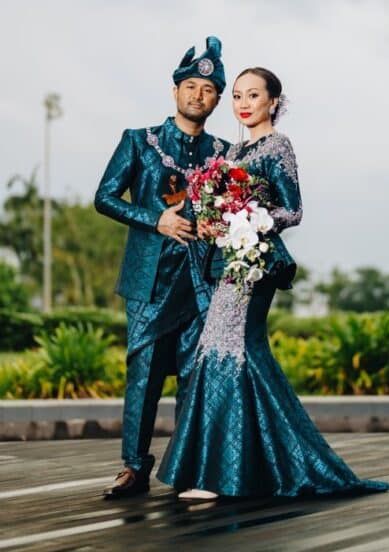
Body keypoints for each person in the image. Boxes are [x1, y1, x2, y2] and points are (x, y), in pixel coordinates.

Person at [157, 67, 389, 499]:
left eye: (253, 95)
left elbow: (293, 210)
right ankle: (246, 469)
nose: (243, 104)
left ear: (273, 102)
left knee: (228, 347)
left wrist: (249, 218)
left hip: (255, 262)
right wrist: (213, 220)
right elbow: (220, 208)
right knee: (232, 351)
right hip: (229, 261)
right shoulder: (234, 151)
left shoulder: (278, 145)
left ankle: (218, 476)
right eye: (237, 96)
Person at [94, 36, 230, 499]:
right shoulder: (139, 142)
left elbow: (232, 210)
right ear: (175, 91)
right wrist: (156, 219)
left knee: (194, 375)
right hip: (150, 279)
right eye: (190, 86)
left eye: (208, 90)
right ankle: (134, 467)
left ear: (217, 99)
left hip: (202, 281)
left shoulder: (225, 153)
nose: (197, 95)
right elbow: (104, 198)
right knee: (145, 374)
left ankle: (186, 468)